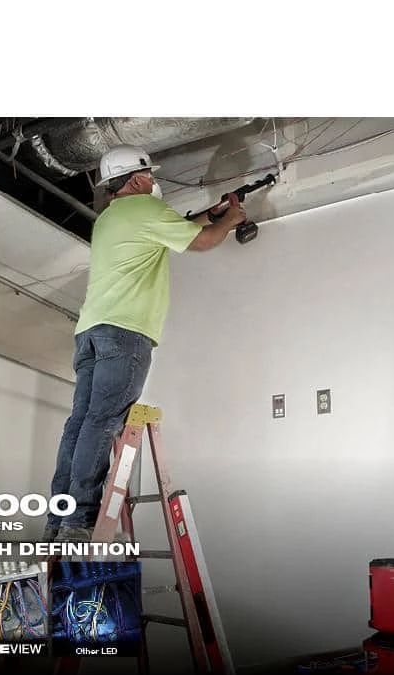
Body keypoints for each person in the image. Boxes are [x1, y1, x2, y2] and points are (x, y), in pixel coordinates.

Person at [44, 145, 247, 543]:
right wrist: (231, 220)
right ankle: (79, 518)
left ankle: (60, 516)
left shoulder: (110, 218)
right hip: (126, 331)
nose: (153, 181)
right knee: (103, 422)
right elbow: (203, 241)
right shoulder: (148, 209)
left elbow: (173, 229)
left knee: (80, 422)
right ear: (137, 179)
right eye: (149, 175)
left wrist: (211, 214)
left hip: (91, 332)